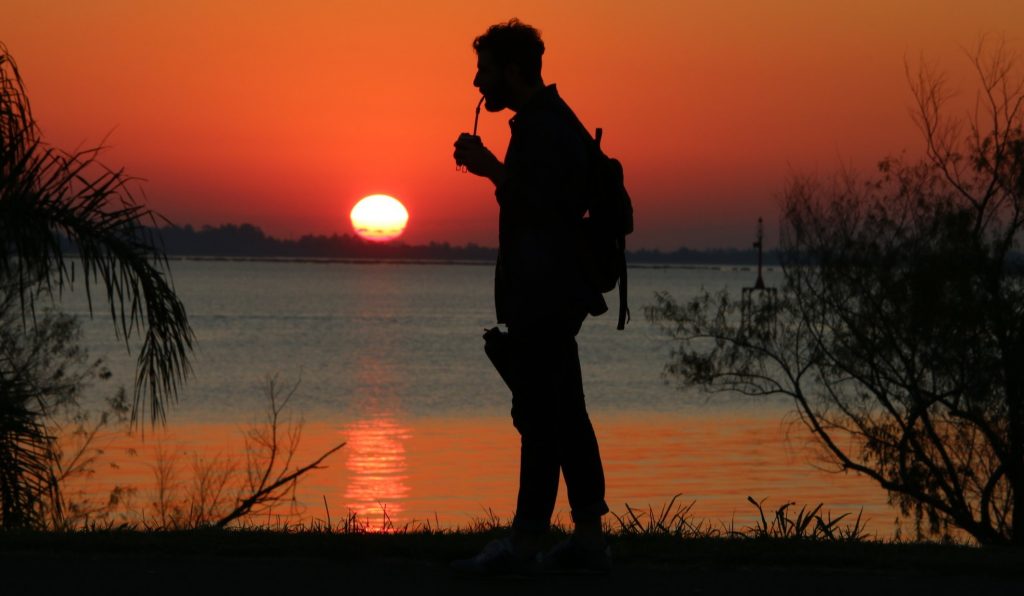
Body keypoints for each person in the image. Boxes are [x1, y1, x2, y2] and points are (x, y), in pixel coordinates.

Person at [451, 19, 611, 575]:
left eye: (486, 70)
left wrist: (490, 166)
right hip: (551, 292)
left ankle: (522, 546)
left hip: (545, 294)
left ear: (512, 72)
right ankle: (587, 541)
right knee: (564, 415)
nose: (478, 82)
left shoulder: (543, 129)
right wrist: (496, 168)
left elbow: (544, 212)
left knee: (541, 419)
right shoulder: (548, 122)